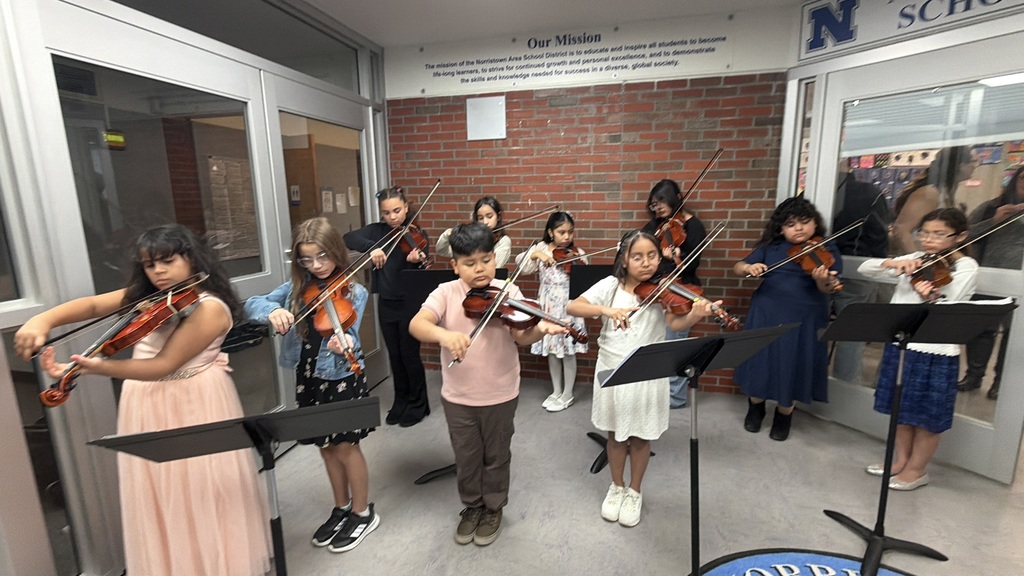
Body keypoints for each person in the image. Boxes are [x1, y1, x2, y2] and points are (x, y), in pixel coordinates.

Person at [14, 224, 271, 576]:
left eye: (167, 261)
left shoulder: (210, 308)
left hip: (192, 399)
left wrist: (96, 368)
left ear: (192, 258)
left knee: (197, 489)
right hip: (146, 400)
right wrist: (41, 320)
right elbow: (91, 305)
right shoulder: (150, 297)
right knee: (157, 490)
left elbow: (164, 364)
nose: (158, 272)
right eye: (150, 265)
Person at [408, 222, 567, 546]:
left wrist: (541, 330)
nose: (479, 269)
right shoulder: (446, 293)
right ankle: (472, 507)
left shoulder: (509, 292)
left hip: (500, 394)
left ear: (495, 258)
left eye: (485, 260)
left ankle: (493, 507)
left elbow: (522, 336)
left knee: (496, 455)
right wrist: (446, 334)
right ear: (454, 265)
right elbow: (417, 324)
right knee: (466, 457)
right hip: (458, 397)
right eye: (469, 263)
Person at [244, 217, 378, 552]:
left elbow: (350, 332)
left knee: (347, 447)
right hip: (309, 375)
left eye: (322, 256)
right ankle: (342, 507)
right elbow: (253, 303)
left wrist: (343, 342)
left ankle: (363, 513)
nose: (316, 266)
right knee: (325, 446)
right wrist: (271, 313)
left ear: (335, 251)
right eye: (307, 259)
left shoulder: (354, 290)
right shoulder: (296, 289)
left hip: (342, 376)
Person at [566, 230, 715, 528]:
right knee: (615, 435)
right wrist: (605, 309)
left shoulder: (662, 290)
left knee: (640, 436)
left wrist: (695, 316)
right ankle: (617, 486)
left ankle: (635, 491)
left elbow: (675, 321)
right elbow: (573, 306)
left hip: (648, 372)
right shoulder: (611, 286)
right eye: (637, 256)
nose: (646, 263)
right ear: (624, 258)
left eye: (652, 255)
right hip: (613, 369)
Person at [858, 207, 978, 490]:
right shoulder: (915, 258)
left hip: (935, 351)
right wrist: (892, 264)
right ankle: (900, 461)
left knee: (927, 415)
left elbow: (952, 301)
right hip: (902, 343)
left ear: (959, 236)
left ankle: (917, 469)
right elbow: (865, 269)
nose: (930, 240)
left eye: (939, 234)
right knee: (901, 409)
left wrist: (932, 296)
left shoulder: (965, 267)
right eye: (924, 233)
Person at [733, 197, 842, 441]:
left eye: (805, 222)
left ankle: (785, 413)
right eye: (791, 224)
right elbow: (738, 266)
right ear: (781, 228)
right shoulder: (771, 247)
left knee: (794, 362)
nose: (799, 228)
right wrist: (749, 268)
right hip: (766, 312)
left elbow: (828, 288)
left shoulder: (826, 248)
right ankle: (756, 406)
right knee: (761, 359)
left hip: (805, 316)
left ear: (815, 224)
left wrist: (821, 279)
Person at [344, 185, 431, 427]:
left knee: (409, 354)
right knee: (394, 355)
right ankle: (401, 400)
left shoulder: (417, 235)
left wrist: (416, 261)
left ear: (405, 207)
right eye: (386, 213)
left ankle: (419, 404)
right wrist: (372, 248)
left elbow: (425, 267)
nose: (392, 217)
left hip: (410, 303)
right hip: (387, 302)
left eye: (396, 211)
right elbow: (348, 238)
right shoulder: (377, 232)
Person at [641, 179, 707, 409]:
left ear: (676, 198)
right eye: (653, 204)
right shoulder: (655, 227)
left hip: (681, 289)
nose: (657, 208)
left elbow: (693, 263)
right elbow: (640, 247)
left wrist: (676, 254)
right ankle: (657, 392)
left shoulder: (694, 226)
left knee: (674, 345)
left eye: (661, 202)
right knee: (655, 342)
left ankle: (675, 397)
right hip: (656, 290)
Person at [959, 166, 1024, 399]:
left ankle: (1001, 382)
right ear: (1015, 181)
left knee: (1012, 333)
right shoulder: (990, 206)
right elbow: (963, 235)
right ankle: (974, 376)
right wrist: (993, 220)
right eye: (1023, 178)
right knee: (981, 330)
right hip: (988, 278)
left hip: (1019, 285)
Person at [515, 211, 589, 412]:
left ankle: (568, 394)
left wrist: (579, 260)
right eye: (561, 232)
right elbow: (521, 264)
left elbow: (585, 278)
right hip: (548, 307)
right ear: (550, 232)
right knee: (553, 352)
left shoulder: (577, 253)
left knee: (568, 351)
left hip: (568, 307)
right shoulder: (541, 249)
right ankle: (556, 391)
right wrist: (538, 254)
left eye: (570, 232)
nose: (567, 237)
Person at [831, 160, 892, 382]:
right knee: (851, 336)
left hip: (818, 269)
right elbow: (879, 237)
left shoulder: (811, 191)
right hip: (858, 271)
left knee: (814, 329)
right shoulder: (869, 192)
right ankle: (844, 389)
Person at [889, 146, 978, 254]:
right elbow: (901, 230)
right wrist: (919, 264)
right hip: (919, 262)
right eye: (973, 162)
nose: (975, 166)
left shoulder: (946, 192)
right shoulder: (930, 193)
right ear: (961, 166)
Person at [436, 196, 513, 267]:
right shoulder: (471, 238)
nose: (485, 222)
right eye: (480, 218)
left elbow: (493, 267)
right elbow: (442, 250)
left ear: (498, 216)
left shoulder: (503, 241)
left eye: (489, 216)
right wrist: (446, 236)